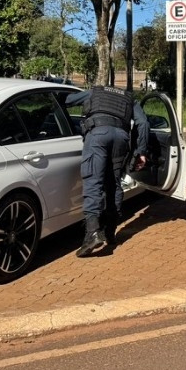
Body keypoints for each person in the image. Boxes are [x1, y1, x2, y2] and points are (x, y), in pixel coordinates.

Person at [66, 85, 149, 257]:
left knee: (93, 182)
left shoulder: (95, 92)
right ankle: (109, 232)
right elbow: (143, 124)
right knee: (114, 184)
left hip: (98, 135)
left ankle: (92, 234)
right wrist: (141, 152)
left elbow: (67, 101)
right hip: (121, 138)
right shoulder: (129, 98)